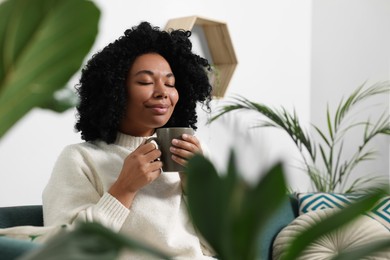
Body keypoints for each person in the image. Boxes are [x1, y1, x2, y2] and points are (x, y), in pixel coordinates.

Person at [42, 21, 215, 259]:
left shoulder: (192, 151)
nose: (163, 91)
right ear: (114, 90)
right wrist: (124, 188)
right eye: (145, 82)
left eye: (171, 83)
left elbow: (221, 246)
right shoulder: (80, 159)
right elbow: (65, 250)